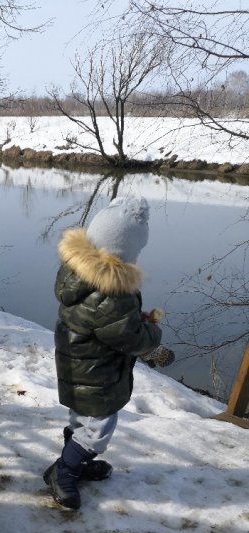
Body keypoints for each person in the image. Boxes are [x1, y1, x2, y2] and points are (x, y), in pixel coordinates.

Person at [43, 196, 174, 511]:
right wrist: (152, 334)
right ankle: (64, 471)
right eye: (136, 253)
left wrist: (133, 319)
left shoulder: (80, 277)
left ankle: (75, 464)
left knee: (83, 422)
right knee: (97, 430)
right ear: (123, 254)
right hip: (96, 375)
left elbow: (112, 324)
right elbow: (129, 337)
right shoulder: (111, 295)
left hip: (79, 367)